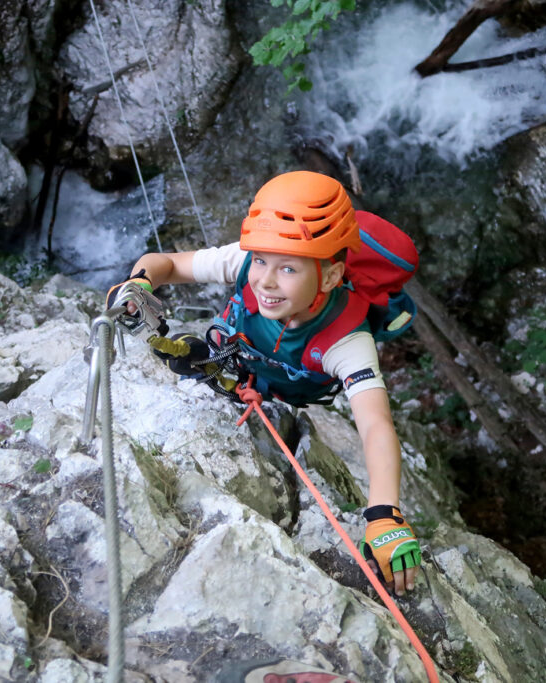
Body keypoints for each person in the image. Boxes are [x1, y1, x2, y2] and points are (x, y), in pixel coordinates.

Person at [107, 170, 421, 596]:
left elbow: (375, 426)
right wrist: (139, 282)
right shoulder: (250, 261)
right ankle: (223, 367)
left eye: (288, 269)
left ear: (330, 276)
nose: (266, 282)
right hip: (241, 359)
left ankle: (224, 368)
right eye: (260, 262)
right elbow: (170, 263)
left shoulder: (347, 341)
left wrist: (384, 514)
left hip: (280, 386)